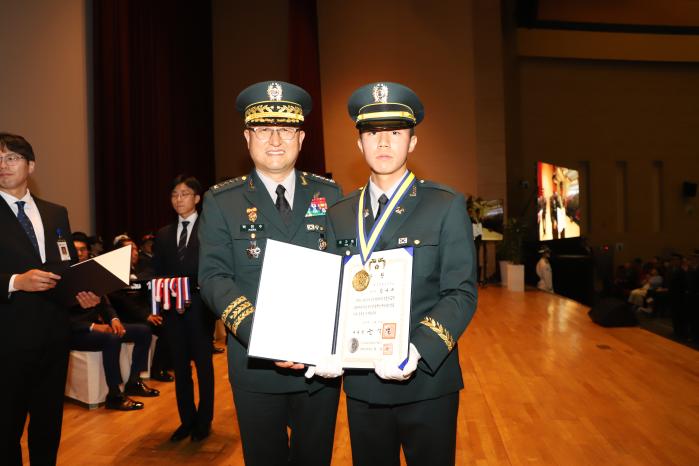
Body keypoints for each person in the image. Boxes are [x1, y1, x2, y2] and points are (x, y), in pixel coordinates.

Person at [319, 82, 478, 466]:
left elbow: (461, 292)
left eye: (395, 132)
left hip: (427, 380)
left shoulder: (444, 205)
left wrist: (419, 347)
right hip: (362, 384)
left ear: (412, 142)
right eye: (373, 133)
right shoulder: (339, 213)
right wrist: (323, 343)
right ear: (359, 144)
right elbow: (330, 291)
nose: (384, 143)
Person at [198, 80, 342, 465]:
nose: (275, 139)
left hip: (319, 365)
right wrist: (262, 333)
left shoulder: (331, 195)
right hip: (255, 364)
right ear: (247, 137)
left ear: (302, 137)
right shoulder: (220, 201)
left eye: (287, 129)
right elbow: (213, 278)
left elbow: (347, 269)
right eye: (263, 129)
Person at [0, 132, 101, 465]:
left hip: (55, 337)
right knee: (6, 431)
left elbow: (67, 267)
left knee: (48, 427)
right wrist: (16, 281)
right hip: (8, 339)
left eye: (12, 157)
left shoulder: (56, 213)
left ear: (31, 165)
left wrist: (81, 294)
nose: (3, 165)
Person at [153, 174, 216, 442]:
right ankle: (186, 420)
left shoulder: (209, 229)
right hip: (173, 311)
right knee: (180, 368)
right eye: (174, 195)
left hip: (200, 309)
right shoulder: (164, 234)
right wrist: (159, 304)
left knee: (203, 367)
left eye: (185, 194)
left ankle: (204, 420)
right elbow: (158, 272)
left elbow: (214, 268)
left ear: (197, 198)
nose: (179, 199)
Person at [69, 237, 155, 411]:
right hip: (75, 332)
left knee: (143, 331)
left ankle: (133, 381)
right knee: (111, 339)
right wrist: (93, 327)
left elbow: (105, 304)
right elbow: (61, 318)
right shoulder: (64, 277)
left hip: (97, 328)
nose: (80, 253)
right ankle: (114, 394)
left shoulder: (91, 274)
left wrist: (114, 320)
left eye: (83, 249)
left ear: (88, 251)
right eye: (75, 249)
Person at [109, 235, 173, 382]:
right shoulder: (113, 273)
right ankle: (135, 379)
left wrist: (154, 312)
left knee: (168, 324)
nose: (136, 252)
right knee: (147, 329)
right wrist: (146, 315)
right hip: (124, 316)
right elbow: (122, 301)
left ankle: (159, 368)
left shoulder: (141, 269)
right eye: (130, 250)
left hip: (141, 313)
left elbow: (147, 295)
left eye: (136, 249)